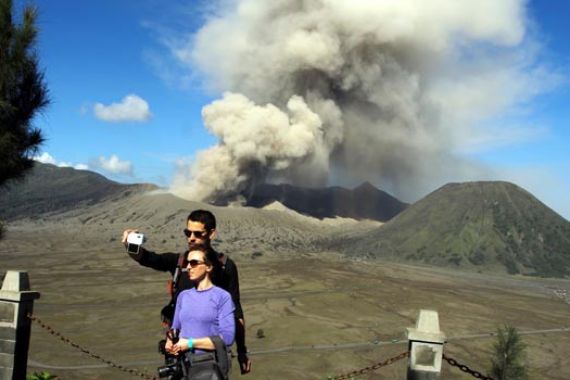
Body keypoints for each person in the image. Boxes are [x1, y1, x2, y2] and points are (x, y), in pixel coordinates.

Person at [122, 210, 252, 374]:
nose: (191, 237)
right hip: (179, 352)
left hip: (211, 355)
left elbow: (236, 313)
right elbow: (147, 258)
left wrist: (242, 351)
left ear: (211, 234)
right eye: (187, 232)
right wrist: (130, 245)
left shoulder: (225, 267)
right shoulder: (178, 262)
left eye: (198, 233)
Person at [166, 245, 234, 367]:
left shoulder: (222, 297)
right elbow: (175, 328)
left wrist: (191, 343)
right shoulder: (183, 296)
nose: (187, 267)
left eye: (193, 263)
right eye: (187, 263)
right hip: (184, 365)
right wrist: (170, 340)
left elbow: (227, 338)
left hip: (210, 365)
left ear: (208, 266)